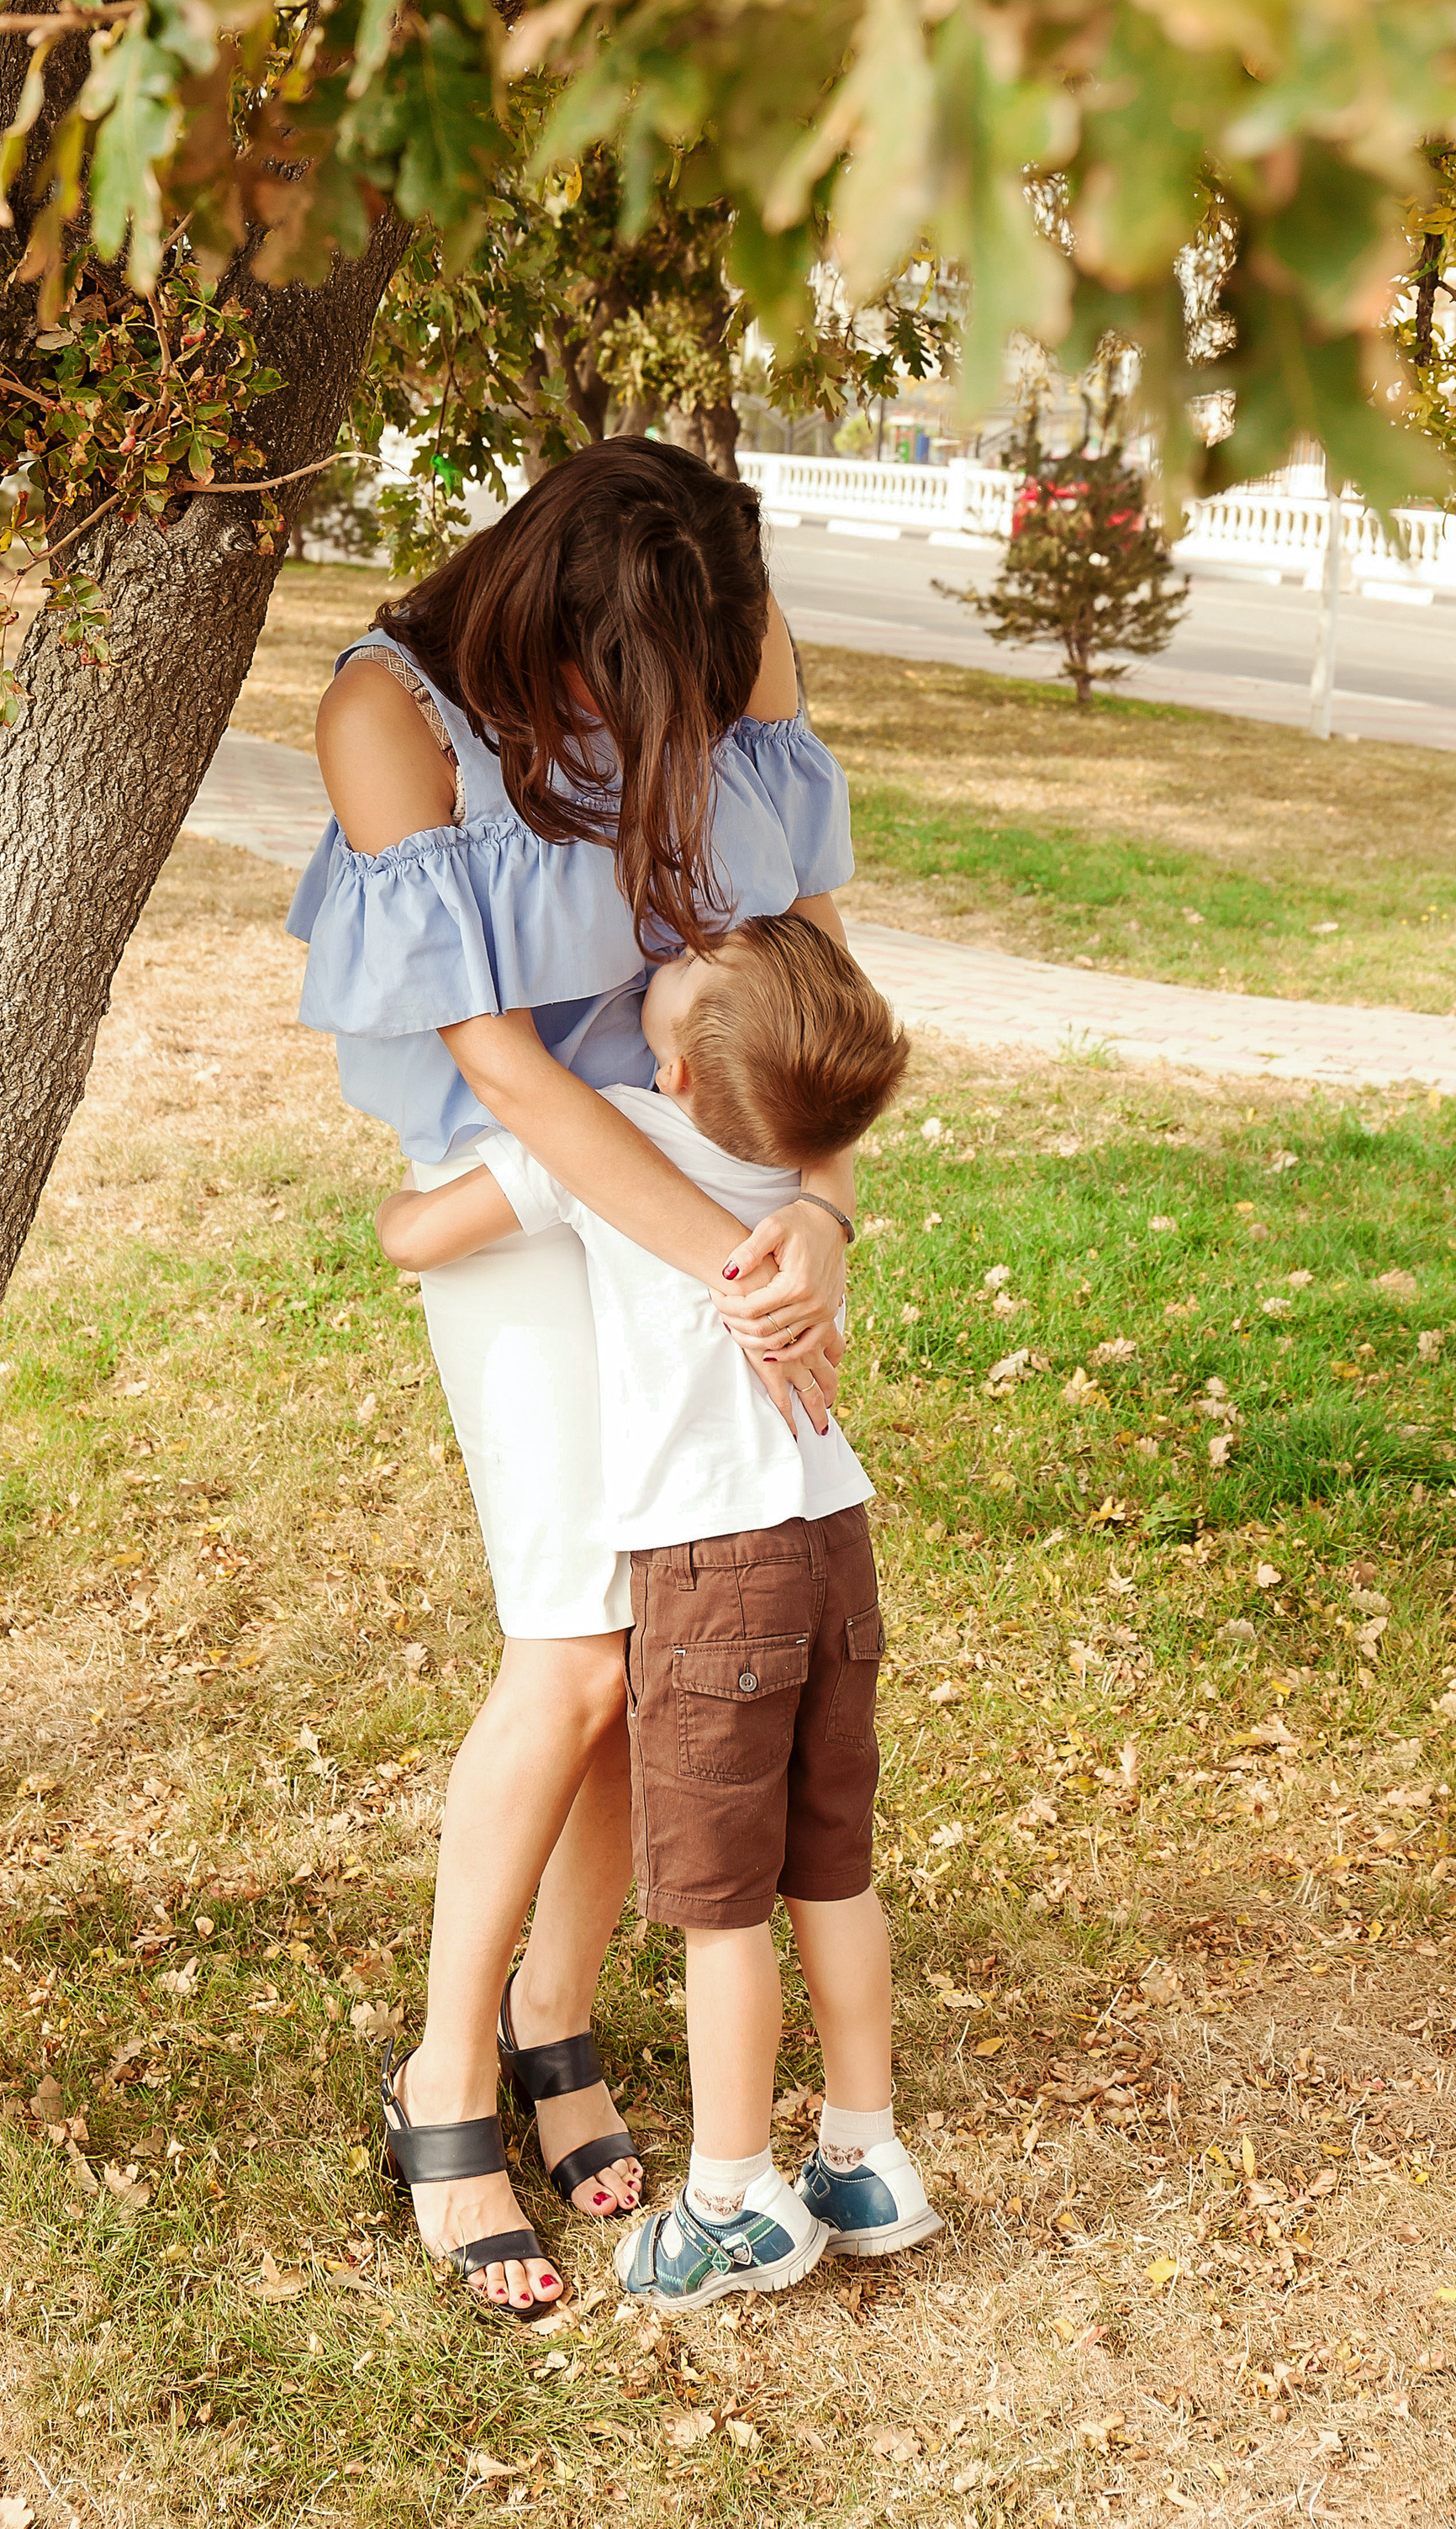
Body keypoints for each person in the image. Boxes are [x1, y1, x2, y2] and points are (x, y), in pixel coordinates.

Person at [290, 441, 857, 2320]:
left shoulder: (730, 634)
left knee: (667, 1626)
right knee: (579, 1643)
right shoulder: (393, 717)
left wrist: (816, 1222)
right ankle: (444, 2080)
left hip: (722, 1189)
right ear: (559, 620)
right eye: (641, 686)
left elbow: (807, 980)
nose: (680, 719)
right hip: (535, 1211)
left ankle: (553, 2021)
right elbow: (517, 1078)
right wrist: (733, 1268)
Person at [376, 912, 941, 2311]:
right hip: (834, 1544)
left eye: (689, 966)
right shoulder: (791, 1177)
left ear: (681, 1070)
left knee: (722, 1913)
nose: (668, 947)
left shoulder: (611, 1137)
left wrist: (416, 1194)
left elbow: (416, 1236)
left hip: (712, 1572)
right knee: (834, 1871)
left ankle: (734, 2202)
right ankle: (866, 2157)